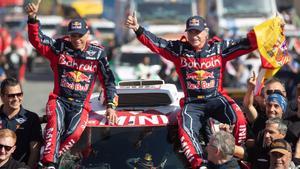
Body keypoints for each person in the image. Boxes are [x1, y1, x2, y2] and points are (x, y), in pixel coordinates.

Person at [126, 13, 257, 168]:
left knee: (239, 118)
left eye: (198, 32)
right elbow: (157, 44)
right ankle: (199, 164)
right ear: (186, 33)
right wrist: (138, 29)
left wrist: (268, 31)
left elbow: (246, 43)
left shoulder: (218, 48)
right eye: (191, 32)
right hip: (193, 103)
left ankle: (240, 153)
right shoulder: (178, 49)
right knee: (186, 128)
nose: (194, 36)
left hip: (216, 97)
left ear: (206, 32)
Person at [25, 1, 118, 168]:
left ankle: (46, 160)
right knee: (55, 124)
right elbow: (37, 40)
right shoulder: (60, 46)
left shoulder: (98, 53)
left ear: (88, 33)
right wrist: (32, 19)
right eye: (73, 35)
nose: (76, 39)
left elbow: (109, 80)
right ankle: (49, 164)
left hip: (81, 106)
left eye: (80, 35)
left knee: (74, 133)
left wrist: (111, 105)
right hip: (59, 100)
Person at [0, 77, 42, 168]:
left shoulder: (31, 118)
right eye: (11, 95)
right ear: (2, 96)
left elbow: (35, 150)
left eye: (19, 94)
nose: (16, 98)